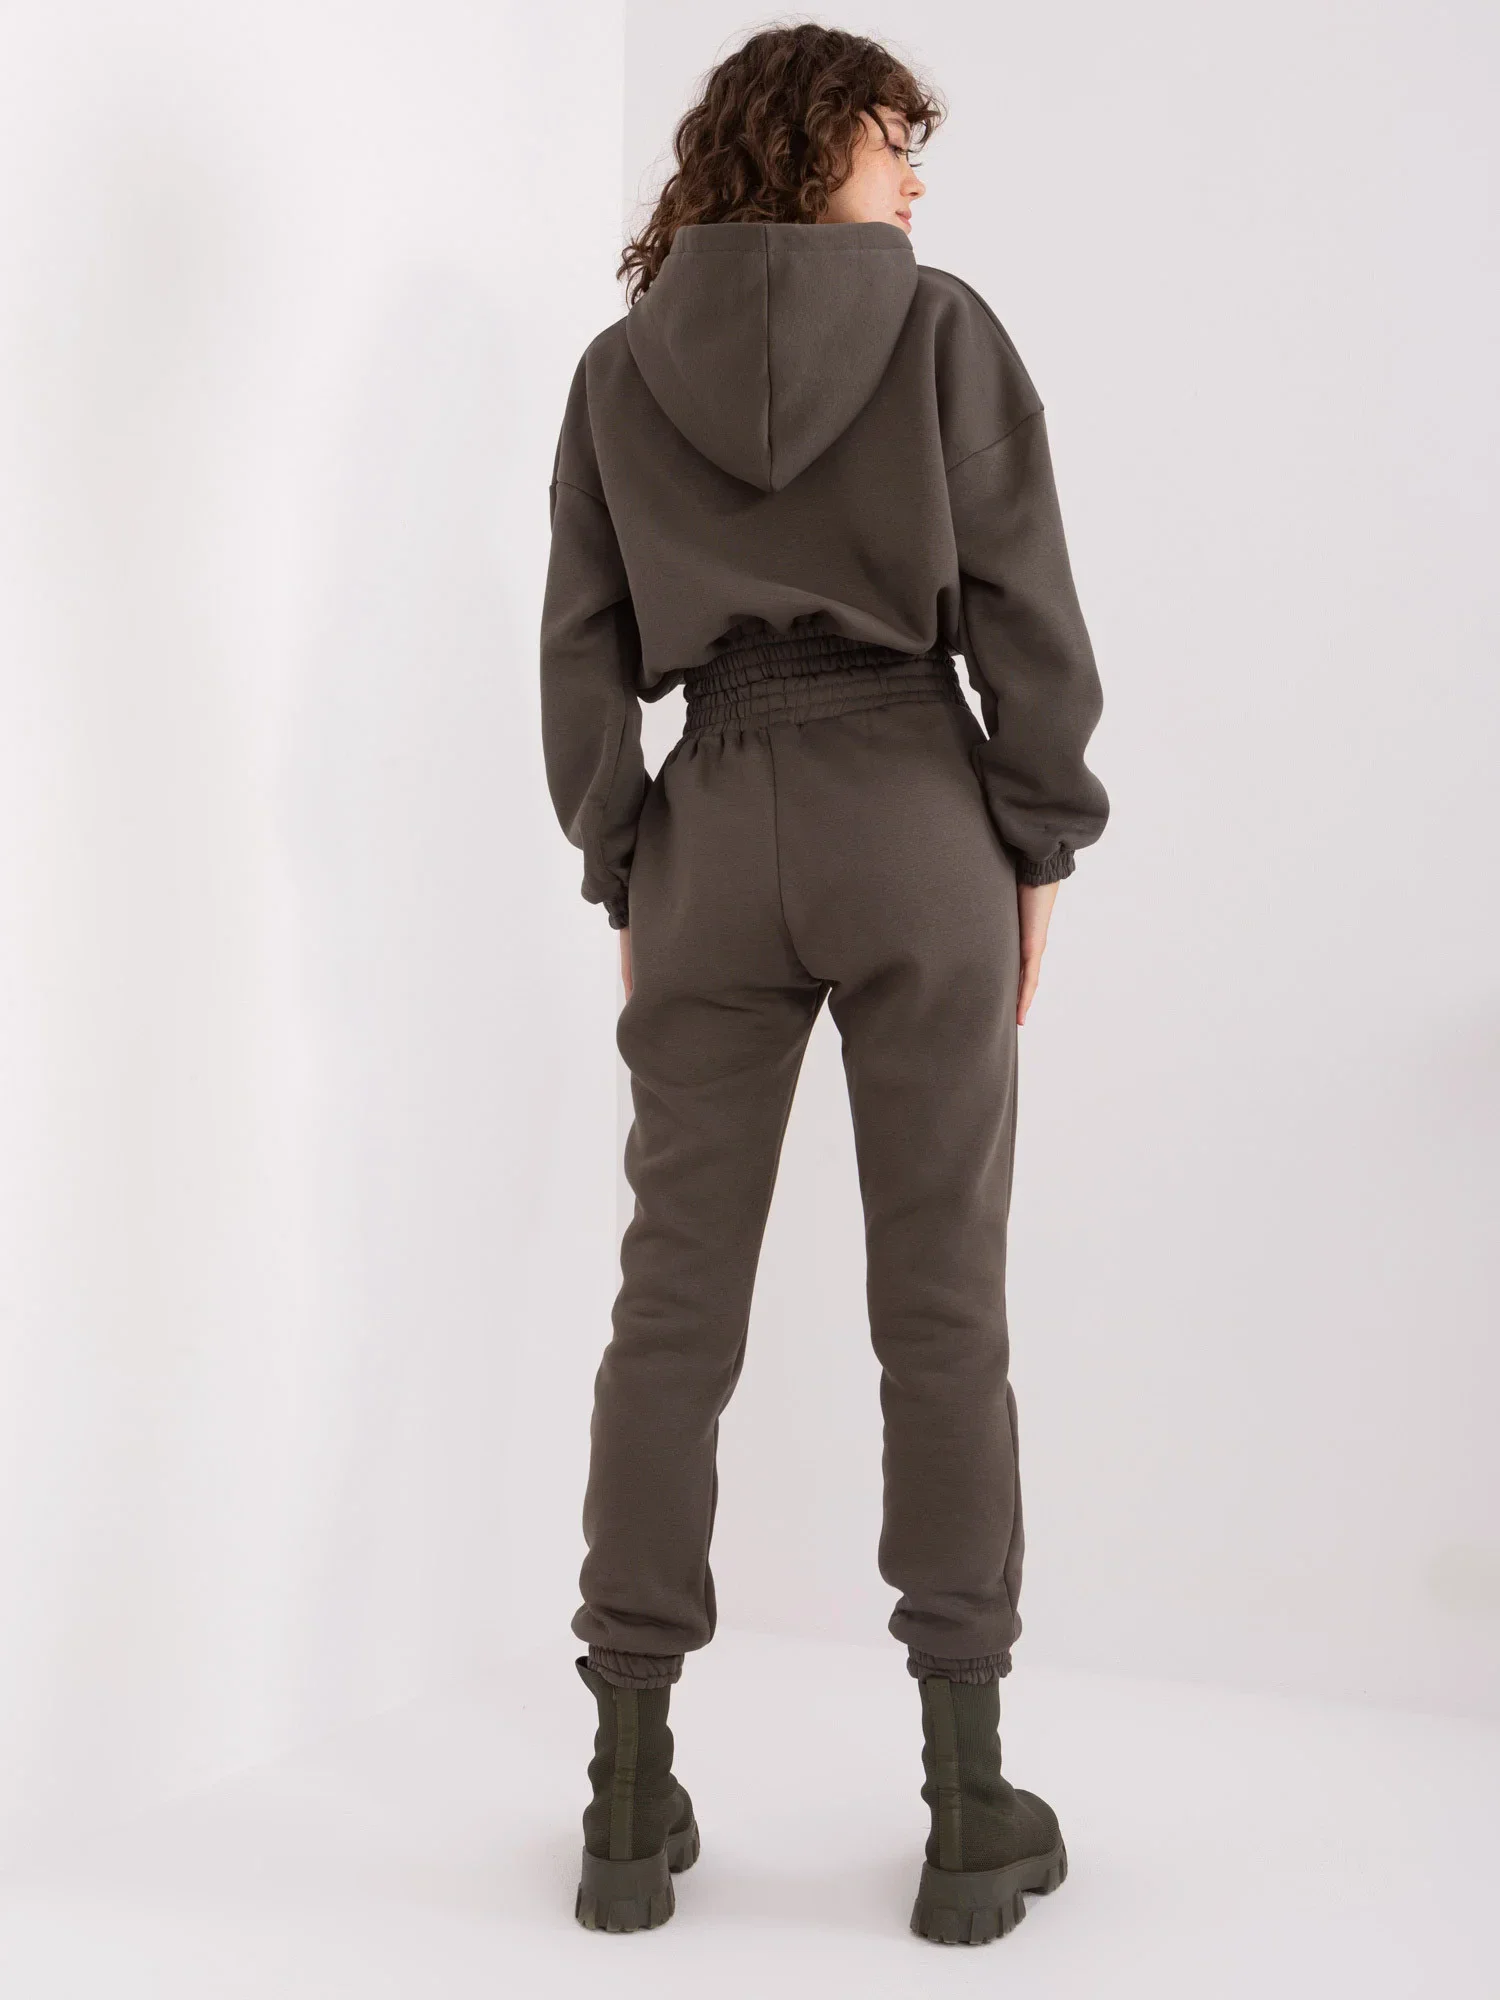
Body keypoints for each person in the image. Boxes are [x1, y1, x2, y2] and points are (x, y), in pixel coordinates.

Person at [539, 23, 1108, 1944]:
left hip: (712, 821)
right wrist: (1039, 836)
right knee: (940, 1303)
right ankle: (966, 1801)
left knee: (669, 1306)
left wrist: (625, 850)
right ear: (807, 151)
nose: (914, 179)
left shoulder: (619, 370)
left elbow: (581, 647)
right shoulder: (940, 330)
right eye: (888, 143)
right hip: (915, 812)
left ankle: (627, 1794)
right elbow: (1024, 603)